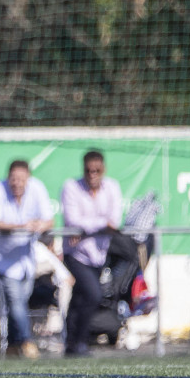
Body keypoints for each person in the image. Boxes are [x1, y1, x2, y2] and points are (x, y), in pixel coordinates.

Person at [0, 160, 54, 359]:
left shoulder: (37, 189)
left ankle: (13, 346)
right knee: (15, 302)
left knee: (21, 301)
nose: (17, 183)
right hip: (2, 259)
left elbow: (49, 219)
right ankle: (27, 342)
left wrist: (40, 225)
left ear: (28, 178)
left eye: (21, 179)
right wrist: (22, 226)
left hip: (25, 259)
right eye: (13, 179)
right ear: (8, 177)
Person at [60, 150, 123, 356]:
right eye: (88, 171)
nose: (92, 174)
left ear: (103, 170)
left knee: (80, 298)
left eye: (96, 170)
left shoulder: (112, 187)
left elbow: (114, 221)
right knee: (93, 293)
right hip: (76, 253)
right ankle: (80, 340)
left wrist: (86, 229)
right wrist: (101, 224)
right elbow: (72, 221)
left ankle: (71, 344)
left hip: (99, 254)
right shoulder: (72, 187)